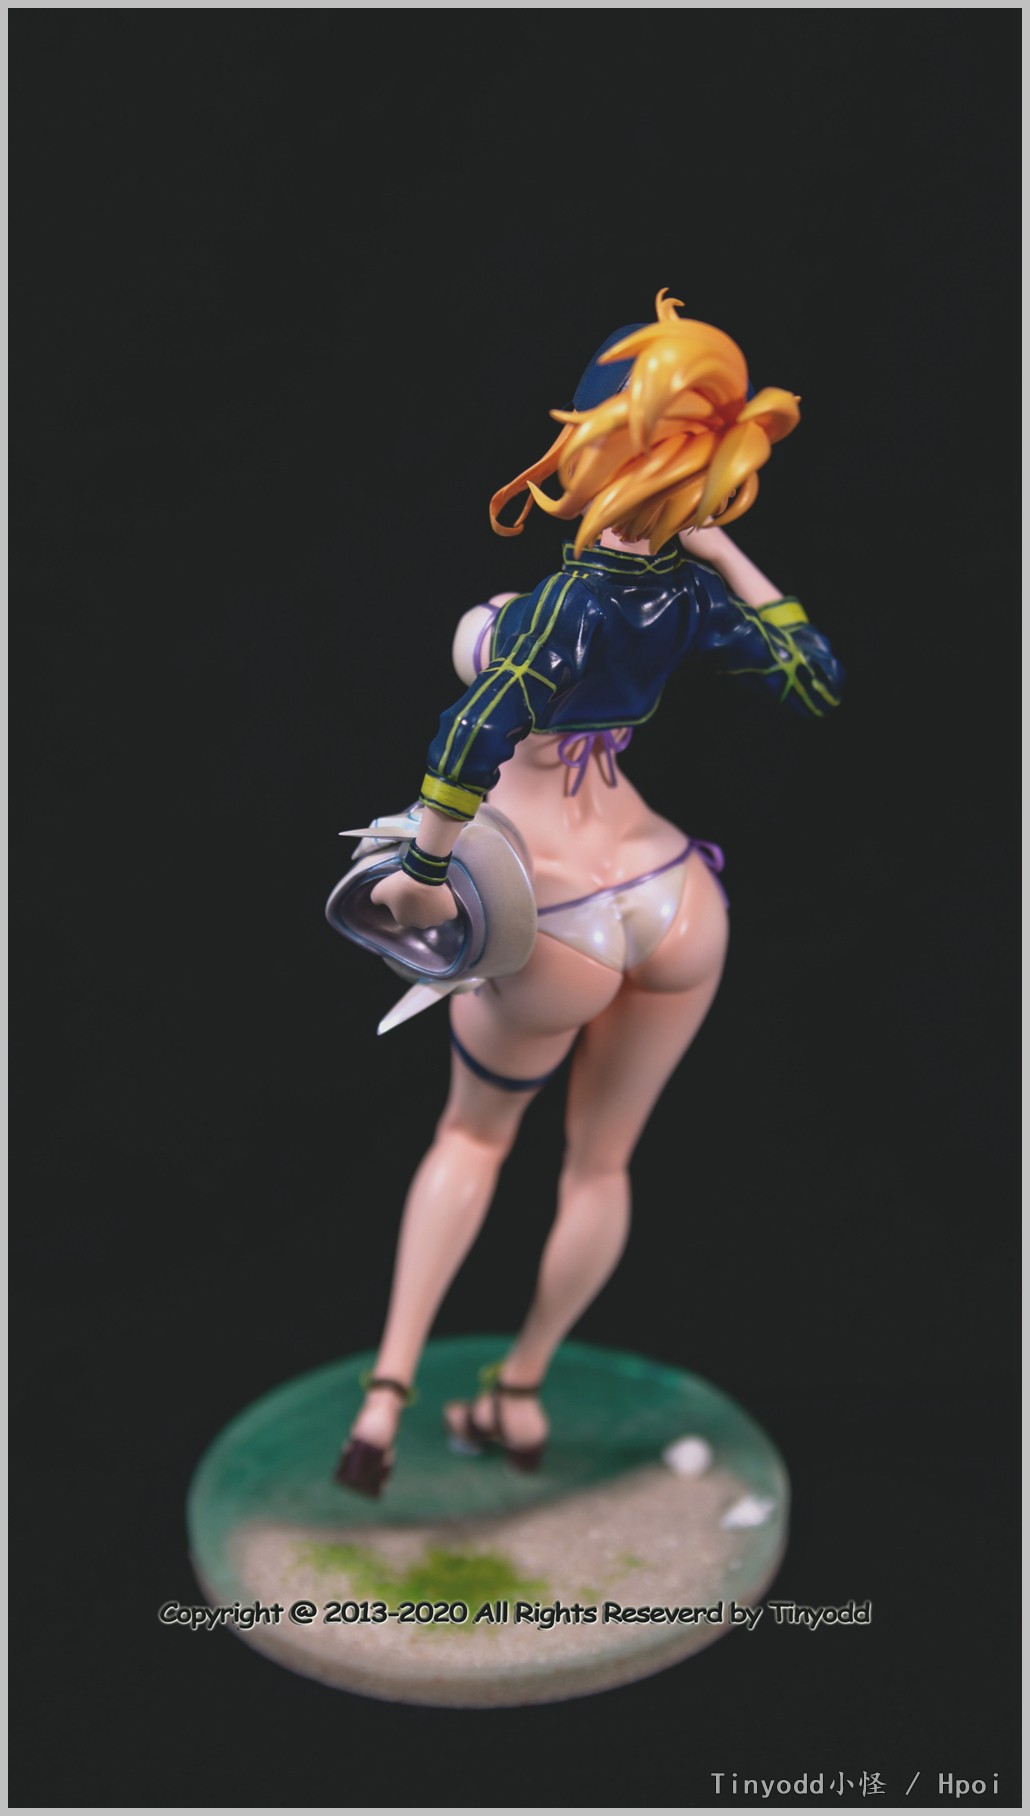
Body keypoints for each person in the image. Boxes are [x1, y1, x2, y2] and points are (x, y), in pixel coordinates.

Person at [335, 290, 842, 1496]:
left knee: (471, 1135)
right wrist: (719, 548)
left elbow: (472, 728)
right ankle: (518, 1392)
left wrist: (418, 876)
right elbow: (813, 679)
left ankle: (383, 1402)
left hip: (550, 915)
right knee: (600, 1168)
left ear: (595, 448)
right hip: (672, 896)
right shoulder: (687, 598)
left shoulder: (558, 604)